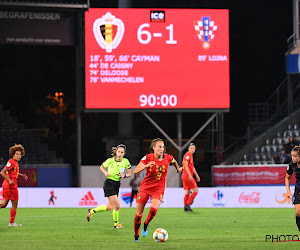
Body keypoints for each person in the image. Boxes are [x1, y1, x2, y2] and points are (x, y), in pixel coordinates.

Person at [133, 138, 182, 242]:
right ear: (153, 148)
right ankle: (136, 236)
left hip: (158, 189)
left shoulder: (168, 158)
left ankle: (146, 224)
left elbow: (174, 161)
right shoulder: (147, 157)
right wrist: (146, 165)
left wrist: (178, 169)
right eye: (159, 146)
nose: (162, 149)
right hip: (145, 188)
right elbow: (135, 171)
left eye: (163, 147)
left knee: (153, 210)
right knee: (138, 215)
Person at [87, 144, 131, 228]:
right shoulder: (110, 160)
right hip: (109, 183)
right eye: (118, 151)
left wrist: (124, 175)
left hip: (117, 184)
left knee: (109, 207)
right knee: (117, 205)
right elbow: (102, 167)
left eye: (122, 152)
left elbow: (129, 174)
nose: (120, 153)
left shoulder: (126, 161)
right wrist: (105, 173)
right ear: (116, 152)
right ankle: (116, 224)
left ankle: (91, 211)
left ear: (124, 153)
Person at [0, 144, 28, 226]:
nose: (19, 156)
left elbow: (13, 172)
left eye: (20, 154)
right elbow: (2, 172)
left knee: (4, 204)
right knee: (14, 204)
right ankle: (11, 223)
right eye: (17, 154)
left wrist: (21, 175)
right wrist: (9, 180)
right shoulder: (11, 162)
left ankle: (11, 223)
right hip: (10, 186)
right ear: (13, 154)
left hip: (9, 185)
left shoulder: (15, 162)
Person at [182, 143, 200, 212]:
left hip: (185, 175)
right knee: (196, 191)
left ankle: (185, 207)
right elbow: (186, 165)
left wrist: (196, 175)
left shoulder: (190, 156)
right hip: (187, 176)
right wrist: (190, 174)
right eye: (191, 148)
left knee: (187, 192)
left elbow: (192, 167)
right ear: (188, 149)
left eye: (194, 148)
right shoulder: (187, 156)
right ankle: (188, 204)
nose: (192, 150)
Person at [285, 145, 300, 232]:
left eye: (295, 156)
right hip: (298, 189)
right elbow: (287, 178)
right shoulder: (292, 164)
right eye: (292, 156)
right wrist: (288, 191)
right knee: (298, 212)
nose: (293, 158)